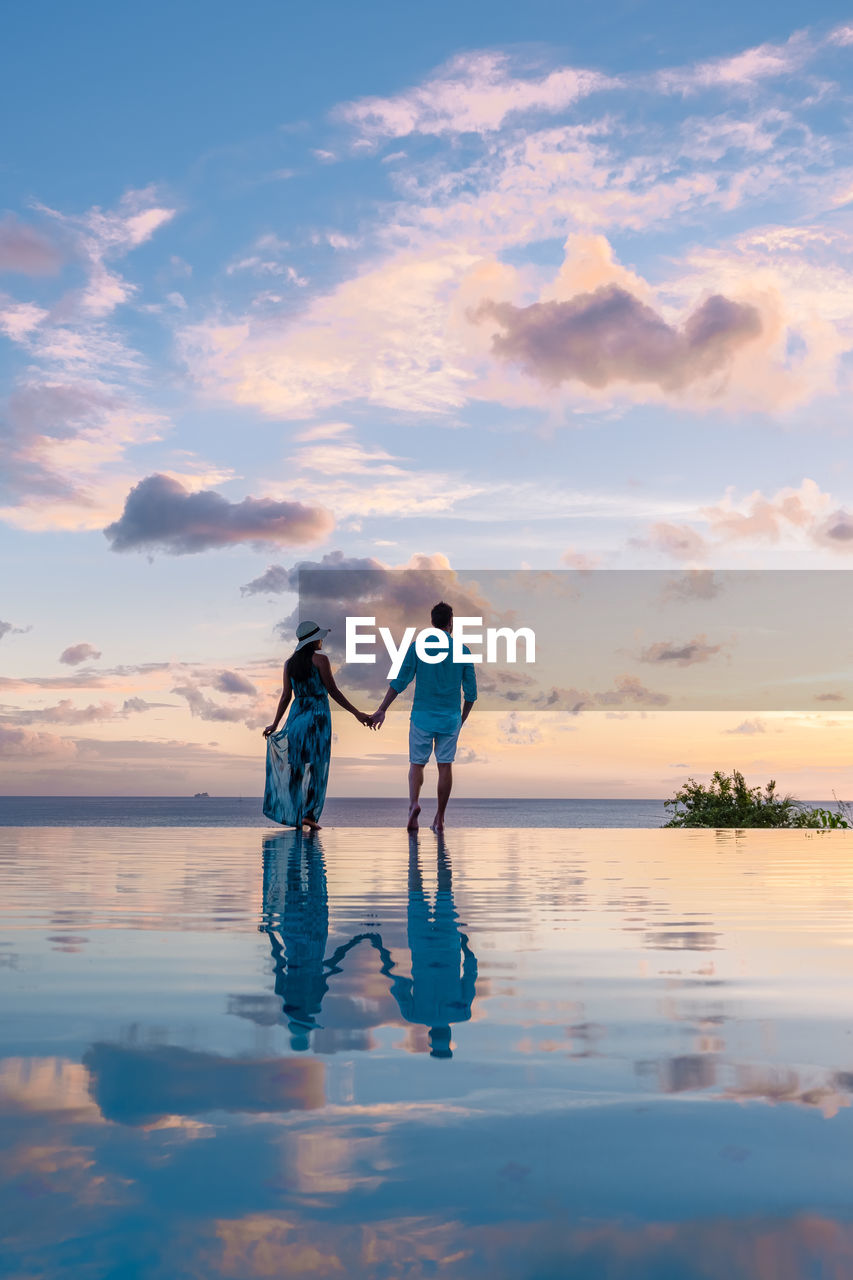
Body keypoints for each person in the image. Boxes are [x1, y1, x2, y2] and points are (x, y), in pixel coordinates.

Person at [370, 601, 476, 832]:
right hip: (450, 718)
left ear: (432, 622)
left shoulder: (417, 647)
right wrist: (462, 719)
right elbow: (471, 694)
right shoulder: (463, 651)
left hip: (422, 716)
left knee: (416, 764)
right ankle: (440, 818)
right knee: (445, 766)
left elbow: (400, 681)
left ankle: (414, 804)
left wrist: (382, 709)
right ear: (451, 623)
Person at [263, 620, 373, 830]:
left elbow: (286, 695)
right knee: (317, 767)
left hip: (296, 720)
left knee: (296, 769)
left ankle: (296, 815)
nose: (322, 641)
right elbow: (333, 690)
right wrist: (356, 713)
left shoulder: (289, 664)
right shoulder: (320, 660)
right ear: (314, 641)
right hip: (317, 718)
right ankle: (309, 815)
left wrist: (275, 723)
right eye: (320, 638)